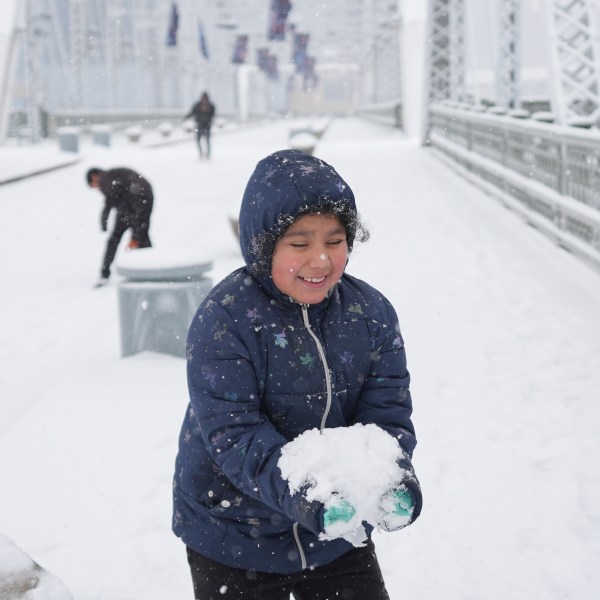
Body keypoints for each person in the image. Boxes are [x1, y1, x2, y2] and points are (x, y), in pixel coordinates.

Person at [172, 149, 422, 600]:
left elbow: (387, 413)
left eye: (335, 240)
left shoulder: (371, 313)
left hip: (335, 534)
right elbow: (235, 433)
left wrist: (389, 473)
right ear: (263, 247)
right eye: (300, 244)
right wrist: (307, 488)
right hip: (234, 535)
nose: (321, 260)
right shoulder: (226, 318)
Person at [86, 166, 153, 287]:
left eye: (93, 186)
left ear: (94, 177)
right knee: (140, 236)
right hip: (135, 202)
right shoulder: (110, 177)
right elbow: (110, 200)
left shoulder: (105, 179)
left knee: (133, 236)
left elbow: (111, 200)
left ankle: (105, 273)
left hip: (139, 201)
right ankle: (151, 269)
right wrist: (104, 220)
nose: (95, 189)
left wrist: (135, 237)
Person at [183, 91, 216, 159]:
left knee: (207, 140)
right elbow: (192, 112)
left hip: (207, 125)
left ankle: (207, 154)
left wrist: (207, 112)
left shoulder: (211, 106)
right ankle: (201, 153)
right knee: (198, 139)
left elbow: (213, 115)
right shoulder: (197, 105)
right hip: (199, 125)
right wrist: (186, 117)